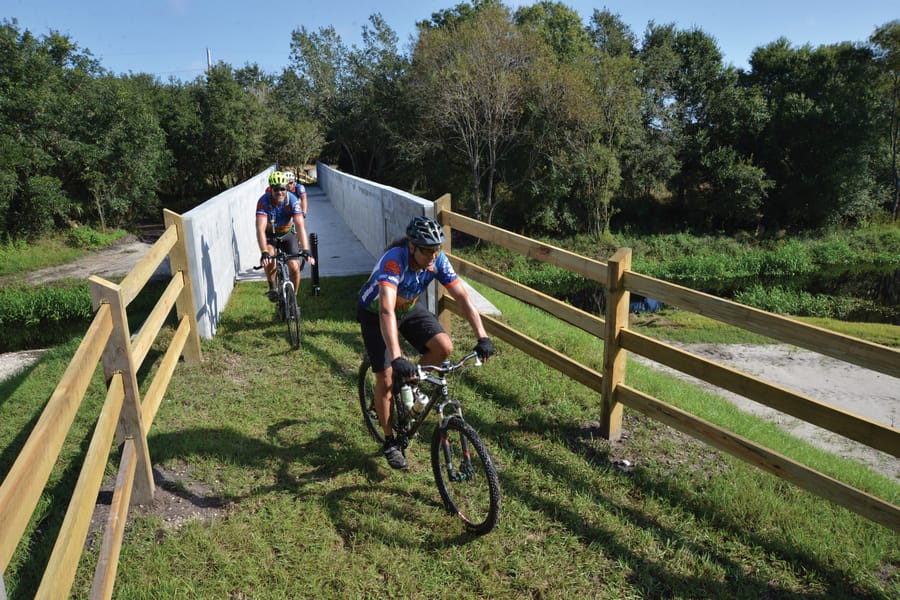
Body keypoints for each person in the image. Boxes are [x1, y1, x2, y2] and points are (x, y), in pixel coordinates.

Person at [357, 215, 495, 469]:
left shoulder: (437, 261)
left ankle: (409, 386)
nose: (433, 256)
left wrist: (482, 336)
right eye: (427, 250)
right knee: (386, 378)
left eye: (436, 250)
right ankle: (390, 441)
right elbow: (386, 311)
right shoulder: (394, 262)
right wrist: (397, 358)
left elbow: (462, 297)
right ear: (412, 247)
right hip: (375, 312)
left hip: (407, 307)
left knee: (444, 347)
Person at [256, 170, 315, 301]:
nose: (280, 192)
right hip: (270, 236)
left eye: (282, 189)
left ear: (287, 188)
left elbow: (300, 226)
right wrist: (264, 251)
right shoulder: (263, 202)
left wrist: (306, 250)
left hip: (287, 234)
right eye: (276, 189)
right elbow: (260, 229)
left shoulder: (292, 201)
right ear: (271, 189)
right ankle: (272, 287)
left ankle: (293, 299)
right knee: (270, 258)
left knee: (294, 266)